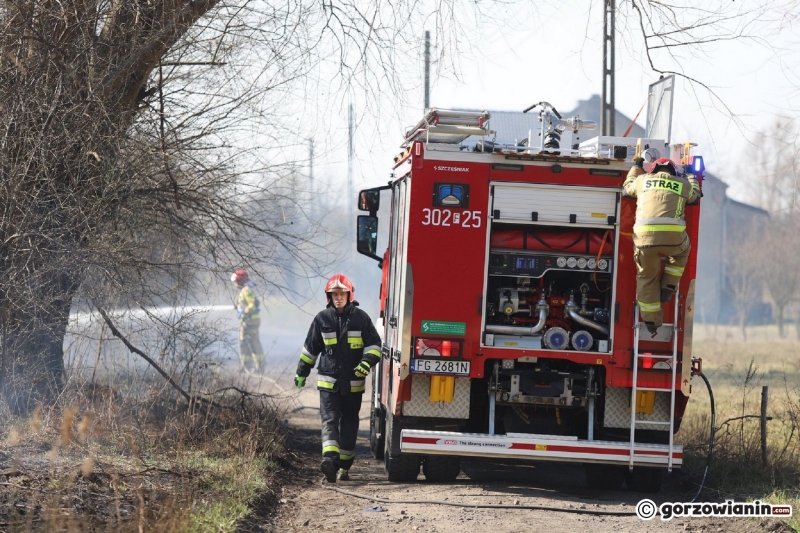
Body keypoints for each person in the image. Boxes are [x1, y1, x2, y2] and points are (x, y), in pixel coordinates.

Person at [294, 274, 381, 483]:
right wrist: (301, 372)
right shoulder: (322, 319)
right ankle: (330, 462)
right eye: (334, 294)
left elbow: (375, 346)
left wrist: (366, 363)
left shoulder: (362, 319)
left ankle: (344, 467)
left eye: (342, 293)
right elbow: (310, 350)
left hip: (353, 384)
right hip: (328, 382)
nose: (338, 297)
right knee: (330, 421)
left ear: (350, 295)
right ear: (329, 296)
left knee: (349, 424)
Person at [623, 157, 701, 335]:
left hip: (644, 242)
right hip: (673, 240)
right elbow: (694, 197)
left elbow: (627, 189)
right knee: (683, 251)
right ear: (674, 171)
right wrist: (690, 175)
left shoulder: (643, 180)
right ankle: (668, 286)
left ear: (653, 169)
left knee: (646, 276)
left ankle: (651, 321)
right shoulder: (681, 183)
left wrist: (635, 167)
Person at [231, 269, 265, 372]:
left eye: (236, 282)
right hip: (247, 322)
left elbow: (252, 304)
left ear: (240, 281)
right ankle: (246, 366)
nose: (236, 284)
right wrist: (239, 307)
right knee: (243, 342)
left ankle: (260, 366)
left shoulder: (246, 290)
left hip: (251, 322)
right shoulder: (245, 290)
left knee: (253, 342)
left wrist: (244, 312)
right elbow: (246, 303)